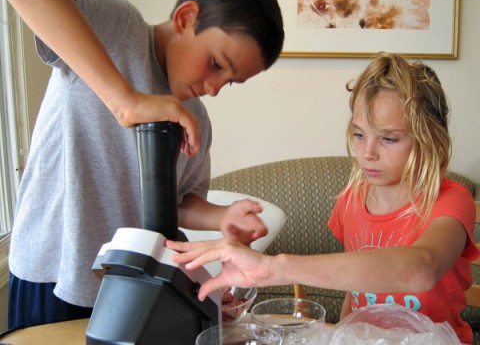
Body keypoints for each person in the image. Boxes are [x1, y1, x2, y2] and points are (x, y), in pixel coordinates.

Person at [2, 0, 284, 329]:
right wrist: (126, 100)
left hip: (133, 287)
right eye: (216, 64)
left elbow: (178, 202)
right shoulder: (115, 24)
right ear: (186, 17)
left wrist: (222, 217)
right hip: (54, 269)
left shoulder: (194, 120)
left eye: (230, 81)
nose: (214, 88)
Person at [168, 53, 480, 344]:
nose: (367, 153)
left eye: (388, 138)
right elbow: (354, 290)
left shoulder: (451, 200)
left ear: (429, 138)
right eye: (359, 134)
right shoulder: (351, 201)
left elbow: (420, 270)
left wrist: (272, 267)